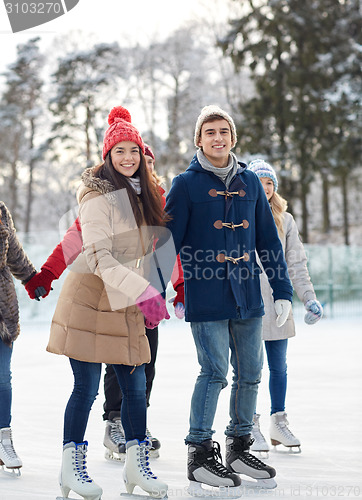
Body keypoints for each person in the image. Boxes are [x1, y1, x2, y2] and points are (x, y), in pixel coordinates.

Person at [164, 105, 294, 495]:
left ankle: (239, 446)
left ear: (232, 137)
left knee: (251, 372)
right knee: (215, 372)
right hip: (206, 294)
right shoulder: (184, 184)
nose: (218, 138)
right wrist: (150, 292)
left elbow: (268, 242)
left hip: (247, 296)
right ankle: (200, 451)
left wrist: (283, 289)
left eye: (224, 131)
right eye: (210, 133)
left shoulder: (252, 184)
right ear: (199, 140)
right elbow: (165, 242)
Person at [25, 143, 182, 462]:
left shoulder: (157, 199)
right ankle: (115, 422)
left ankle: (136, 424)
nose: (142, 165)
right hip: (113, 290)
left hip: (149, 293)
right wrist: (48, 273)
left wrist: (179, 286)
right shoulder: (107, 199)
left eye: (147, 161)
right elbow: (75, 237)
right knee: (115, 362)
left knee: (144, 365)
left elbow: (171, 246)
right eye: (139, 159)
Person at [44, 106, 169, 500]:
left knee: (134, 388)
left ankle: (136, 468)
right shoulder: (97, 198)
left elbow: (156, 250)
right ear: (108, 156)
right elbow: (98, 258)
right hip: (89, 302)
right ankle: (71, 469)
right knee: (85, 388)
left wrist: (163, 287)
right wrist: (145, 292)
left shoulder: (147, 195)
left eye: (134, 150)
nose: (128, 158)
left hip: (125, 300)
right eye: (120, 152)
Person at [248, 159, 323, 454]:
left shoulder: (286, 220)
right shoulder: (240, 216)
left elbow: (296, 263)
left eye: (270, 183)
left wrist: (308, 297)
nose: (265, 188)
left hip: (278, 304)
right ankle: (248, 425)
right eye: (259, 182)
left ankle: (278, 421)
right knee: (249, 369)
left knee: (279, 367)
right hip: (249, 305)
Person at [0, 202, 38, 476]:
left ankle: (4, 440)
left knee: (2, 378)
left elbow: (14, 254)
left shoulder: (0, 210)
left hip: (1, 310)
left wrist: (34, 279)